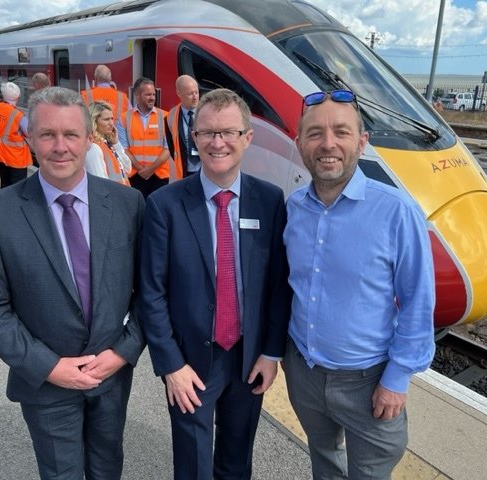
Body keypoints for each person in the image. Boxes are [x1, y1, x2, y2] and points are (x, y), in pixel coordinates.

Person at [0, 87, 145, 479]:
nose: (60, 147)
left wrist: (122, 352)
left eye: (71, 135)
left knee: (107, 467)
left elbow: (150, 290)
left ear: (88, 139)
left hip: (110, 375)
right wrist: (47, 366)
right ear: (30, 138)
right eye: (47, 134)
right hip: (47, 382)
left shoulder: (127, 204)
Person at [283, 89, 436, 480]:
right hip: (304, 370)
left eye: (341, 132)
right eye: (315, 134)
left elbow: (419, 301)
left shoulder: (397, 212)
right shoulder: (293, 208)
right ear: (300, 144)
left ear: (362, 142)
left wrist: (397, 378)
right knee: (324, 459)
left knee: (369, 473)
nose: (328, 144)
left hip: (369, 382)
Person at [140, 88, 290, 479]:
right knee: (192, 464)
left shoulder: (270, 201)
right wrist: (171, 365)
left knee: (236, 460)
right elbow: (151, 291)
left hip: (248, 358)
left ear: (247, 138)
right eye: (207, 133)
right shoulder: (165, 205)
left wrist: (271, 353)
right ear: (194, 137)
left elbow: (277, 285)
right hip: (189, 362)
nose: (217, 142)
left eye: (228, 133)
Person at [118, 77, 171, 198]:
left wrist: (151, 169)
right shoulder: (124, 118)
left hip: (159, 175)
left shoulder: (165, 116)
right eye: (148, 94)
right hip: (135, 175)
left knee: (158, 212)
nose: (152, 97)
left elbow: (167, 148)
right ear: (137, 95)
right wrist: (141, 169)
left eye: (153, 94)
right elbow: (123, 149)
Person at [0, 82, 32, 188]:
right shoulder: (18, 115)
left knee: (5, 186)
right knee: (18, 189)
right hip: (16, 159)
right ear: (18, 97)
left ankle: (4, 204)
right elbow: (30, 133)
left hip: (0, 156)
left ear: (3, 96)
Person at [85, 101, 132, 186]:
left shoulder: (107, 143)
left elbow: (128, 169)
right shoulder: (94, 147)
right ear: (94, 121)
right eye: (106, 119)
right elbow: (100, 184)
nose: (111, 123)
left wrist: (116, 144)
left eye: (112, 119)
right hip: (112, 198)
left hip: (121, 196)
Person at [165, 75, 200, 179]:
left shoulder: (208, 112)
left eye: (197, 92)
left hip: (206, 170)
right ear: (179, 94)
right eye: (190, 94)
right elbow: (172, 147)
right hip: (185, 172)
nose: (195, 97)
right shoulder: (171, 116)